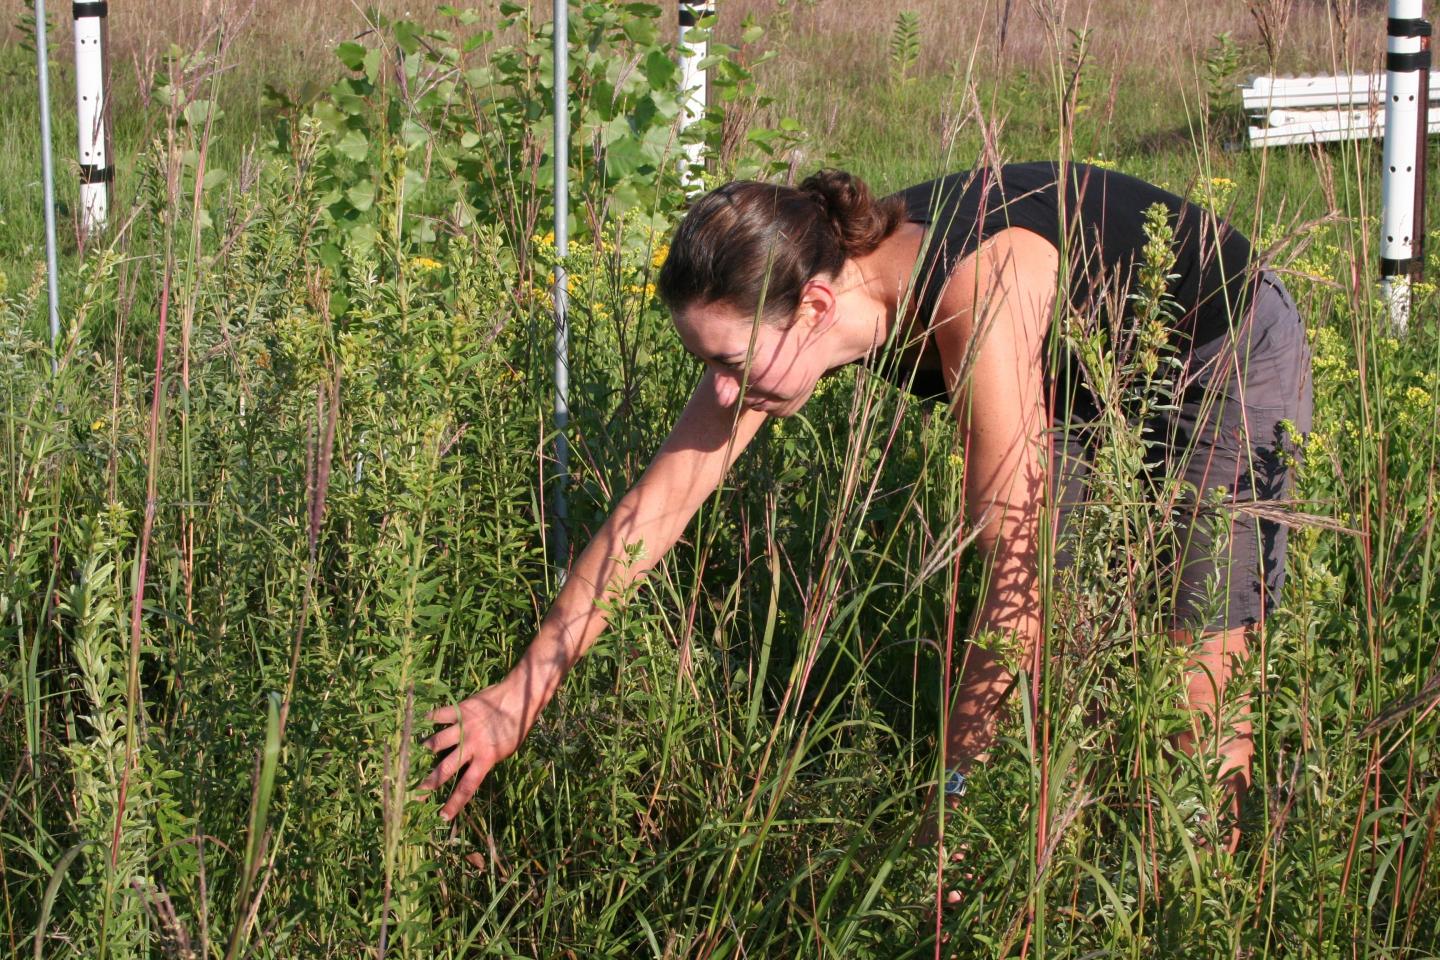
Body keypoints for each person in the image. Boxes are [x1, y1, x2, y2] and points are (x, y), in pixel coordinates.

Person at [421, 162, 1313, 855]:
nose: (722, 393)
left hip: (1219, 347)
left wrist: (952, 808)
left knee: (1201, 672)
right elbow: (656, 507)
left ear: (813, 304)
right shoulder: (799, 301)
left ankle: (1206, 900)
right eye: (710, 366)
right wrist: (519, 695)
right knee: (1074, 653)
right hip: (1084, 373)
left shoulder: (969, 297)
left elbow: (1010, 576)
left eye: (733, 362)